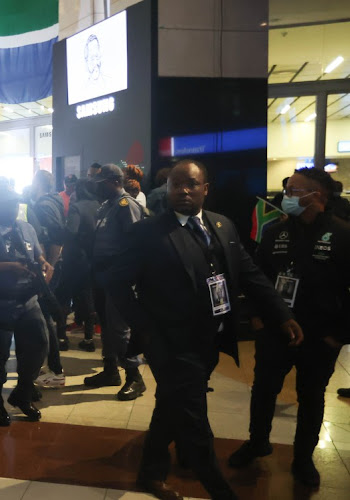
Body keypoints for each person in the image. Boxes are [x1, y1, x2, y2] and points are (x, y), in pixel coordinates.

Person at [102, 160, 301, 500]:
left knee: (170, 405)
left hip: (211, 337)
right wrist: (145, 327)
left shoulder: (222, 225)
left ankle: (151, 473)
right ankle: (221, 491)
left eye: (191, 184)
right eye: (176, 184)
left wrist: (281, 313)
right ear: (166, 189)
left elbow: (250, 274)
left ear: (205, 188)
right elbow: (116, 283)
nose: (183, 190)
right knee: (195, 422)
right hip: (169, 343)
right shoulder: (148, 232)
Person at [228, 167, 350, 487]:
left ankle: (303, 457)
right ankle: (257, 443)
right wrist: (255, 316)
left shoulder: (343, 235)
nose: (287, 196)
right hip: (275, 330)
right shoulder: (276, 232)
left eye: (294, 190)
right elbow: (257, 276)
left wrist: (337, 336)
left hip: (318, 336)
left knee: (311, 396)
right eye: (287, 189)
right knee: (263, 390)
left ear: (317, 196)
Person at [0, 188, 50, 425]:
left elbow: (38, 254)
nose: (14, 208)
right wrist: (7, 267)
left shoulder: (26, 227)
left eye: (16, 204)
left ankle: (23, 394)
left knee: (39, 344)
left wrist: (44, 263)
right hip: (0, 301)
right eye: (9, 204)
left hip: (28, 299)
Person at [84, 164, 146, 401]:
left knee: (120, 329)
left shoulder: (125, 205)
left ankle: (134, 377)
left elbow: (135, 243)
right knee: (107, 327)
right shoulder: (108, 206)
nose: (98, 189)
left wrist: (125, 274)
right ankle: (111, 371)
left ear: (113, 182)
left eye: (101, 184)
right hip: (102, 274)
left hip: (118, 276)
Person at [30, 170, 67, 389]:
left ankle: (56, 369)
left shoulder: (43, 205)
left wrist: (49, 266)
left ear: (38, 183)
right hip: (51, 267)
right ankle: (52, 365)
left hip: (49, 270)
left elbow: (56, 235)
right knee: (45, 316)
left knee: (45, 317)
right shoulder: (52, 201)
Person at [60, 178, 100, 352]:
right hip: (92, 258)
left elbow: (71, 232)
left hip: (74, 258)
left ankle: (62, 338)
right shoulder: (99, 205)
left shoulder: (77, 207)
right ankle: (89, 339)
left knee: (64, 296)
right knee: (88, 297)